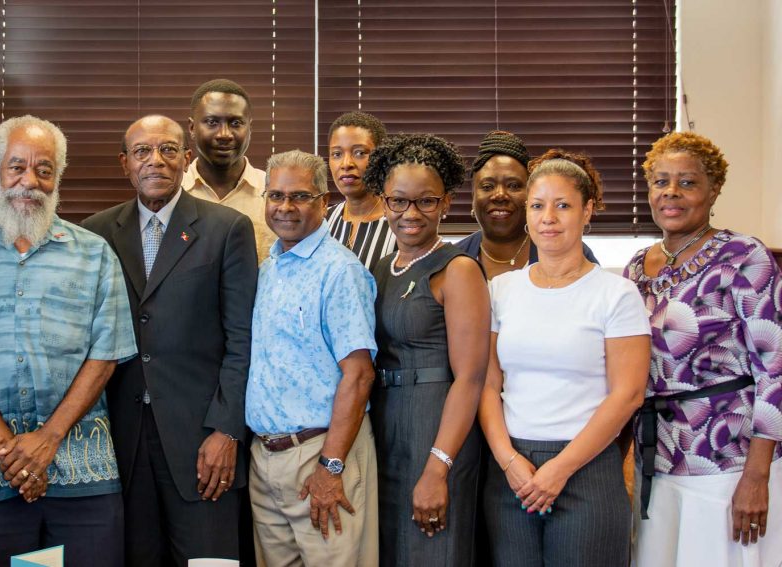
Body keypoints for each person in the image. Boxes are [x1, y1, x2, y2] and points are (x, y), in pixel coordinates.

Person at [0, 115, 137, 567]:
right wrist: (12, 449)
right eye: (17, 166)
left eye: (44, 169)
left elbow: (104, 356)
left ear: (58, 177)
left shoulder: (94, 253)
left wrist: (49, 438)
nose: (30, 181)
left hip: (85, 470)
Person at [83, 115, 258, 566]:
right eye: (142, 151)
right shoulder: (96, 233)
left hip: (203, 441)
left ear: (186, 158)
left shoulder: (227, 229)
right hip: (123, 441)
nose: (155, 160)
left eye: (167, 150)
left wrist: (226, 429)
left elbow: (243, 339)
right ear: (125, 163)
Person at [478, 153, 651, 566]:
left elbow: (627, 394)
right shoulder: (500, 289)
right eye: (537, 206)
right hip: (512, 471)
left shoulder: (616, 294)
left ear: (587, 210)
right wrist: (508, 459)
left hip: (585, 468)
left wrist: (560, 469)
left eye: (563, 205)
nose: (548, 218)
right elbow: (485, 384)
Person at [625, 131, 782, 566]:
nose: (671, 192)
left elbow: (776, 369)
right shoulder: (636, 268)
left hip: (727, 461)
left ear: (714, 190)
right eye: (660, 181)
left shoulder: (743, 256)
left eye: (688, 182)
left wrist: (757, 475)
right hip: (656, 457)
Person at [360, 133, 490, 565]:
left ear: (446, 203)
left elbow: (471, 377)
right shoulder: (380, 268)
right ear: (384, 202)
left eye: (426, 202)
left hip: (436, 427)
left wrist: (438, 467)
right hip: (386, 425)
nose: (410, 214)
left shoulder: (458, 269)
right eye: (399, 201)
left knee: (432, 550)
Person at [246, 149, 379, 567]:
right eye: (275, 195)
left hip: (321, 455)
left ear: (324, 202)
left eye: (300, 196)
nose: (285, 207)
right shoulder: (268, 267)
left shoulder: (339, 271)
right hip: (265, 459)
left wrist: (330, 467)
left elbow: (358, 377)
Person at [456, 130, 598, 279]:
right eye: (487, 187)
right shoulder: (450, 261)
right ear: (473, 196)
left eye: (513, 185)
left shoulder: (570, 254)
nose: (499, 195)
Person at [182, 79, 275, 262]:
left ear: (249, 128)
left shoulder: (274, 194)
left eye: (235, 123)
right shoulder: (174, 196)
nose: (224, 134)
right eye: (211, 122)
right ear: (192, 128)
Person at [324, 111, 396, 270]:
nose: (346, 163)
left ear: (381, 157)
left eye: (360, 153)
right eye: (337, 154)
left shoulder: (400, 222)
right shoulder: (321, 221)